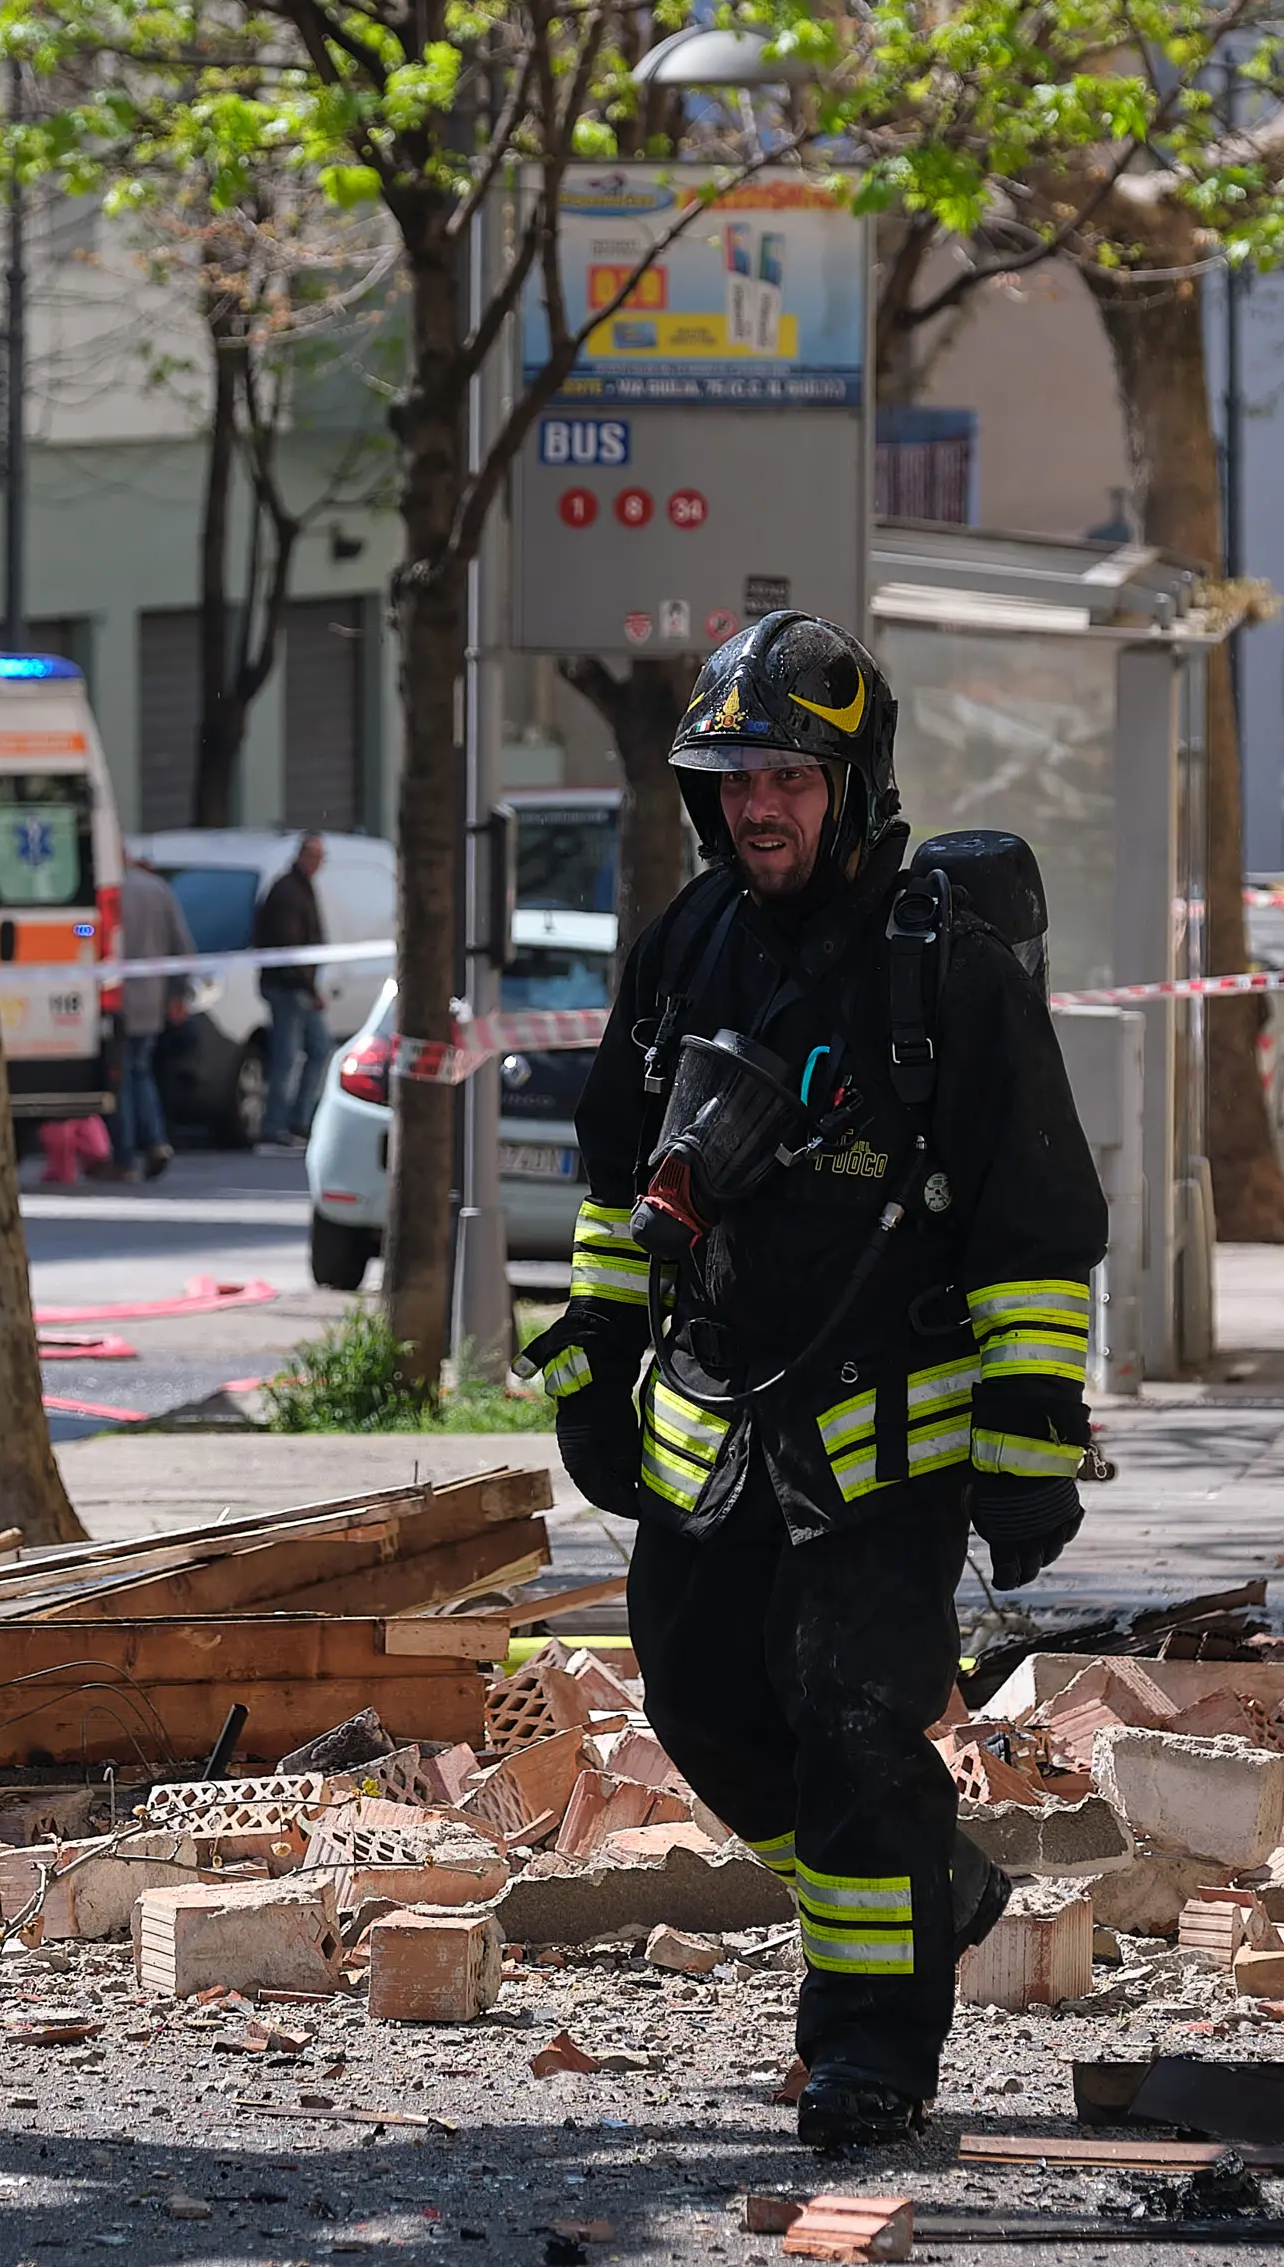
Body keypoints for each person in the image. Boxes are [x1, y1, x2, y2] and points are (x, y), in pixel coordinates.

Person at [522, 612, 1109, 2154]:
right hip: (712, 1422)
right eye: (733, 779)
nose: (758, 807)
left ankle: (868, 2051)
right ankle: (926, 1879)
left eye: (789, 774)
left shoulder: (945, 970)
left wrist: (1032, 1434)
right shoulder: (683, 946)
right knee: (705, 1703)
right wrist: (593, 1344)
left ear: (851, 785)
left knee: (853, 1718)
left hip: (889, 1427)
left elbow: (1034, 1223)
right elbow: (615, 1172)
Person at [112, 848, 194, 1181]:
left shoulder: (109, 891)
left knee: (118, 1076)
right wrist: (177, 993)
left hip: (114, 999)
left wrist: (78, 933)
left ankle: (125, 1155)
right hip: (152, 999)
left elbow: (86, 932)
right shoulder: (157, 889)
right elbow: (182, 945)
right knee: (139, 1071)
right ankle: (156, 1140)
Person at [253, 831, 333, 1150]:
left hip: (295, 985)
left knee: (318, 1049)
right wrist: (309, 987)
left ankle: (300, 1120)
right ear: (303, 856)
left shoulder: (298, 887)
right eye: (316, 856)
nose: (319, 864)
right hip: (289, 987)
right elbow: (290, 947)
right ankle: (276, 1125)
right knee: (287, 1057)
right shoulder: (289, 890)